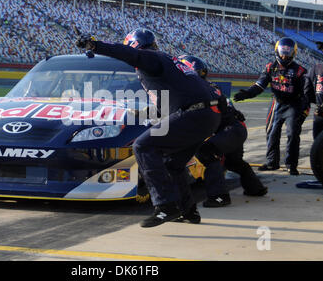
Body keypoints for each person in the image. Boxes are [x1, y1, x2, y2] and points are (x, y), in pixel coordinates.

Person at [76, 28, 223, 228]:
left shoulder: (149, 58)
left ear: (134, 45)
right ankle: (188, 211)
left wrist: (96, 45)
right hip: (208, 115)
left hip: (194, 114)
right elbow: (173, 98)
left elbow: (132, 55)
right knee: (173, 163)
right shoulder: (167, 60)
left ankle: (165, 205)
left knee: (143, 146)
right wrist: (144, 112)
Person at [179, 55, 268, 208]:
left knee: (206, 152)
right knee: (233, 162)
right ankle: (256, 188)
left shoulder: (197, 91)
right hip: (236, 129)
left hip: (230, 130)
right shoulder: (210, 87)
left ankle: (219, 196)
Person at [233, 37, 309, 176]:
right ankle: (272, 162)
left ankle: (291, 165)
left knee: (293, 134)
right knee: (272, 133)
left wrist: (304, 111)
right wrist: (247, 94)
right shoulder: (270, 67)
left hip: (294, 105)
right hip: (277, 103)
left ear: (294, 53)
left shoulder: (300, 71)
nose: (284, 55)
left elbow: (306, 94)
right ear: (277, 51)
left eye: (288, 52)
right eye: (282, 52)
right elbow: (259, 86)